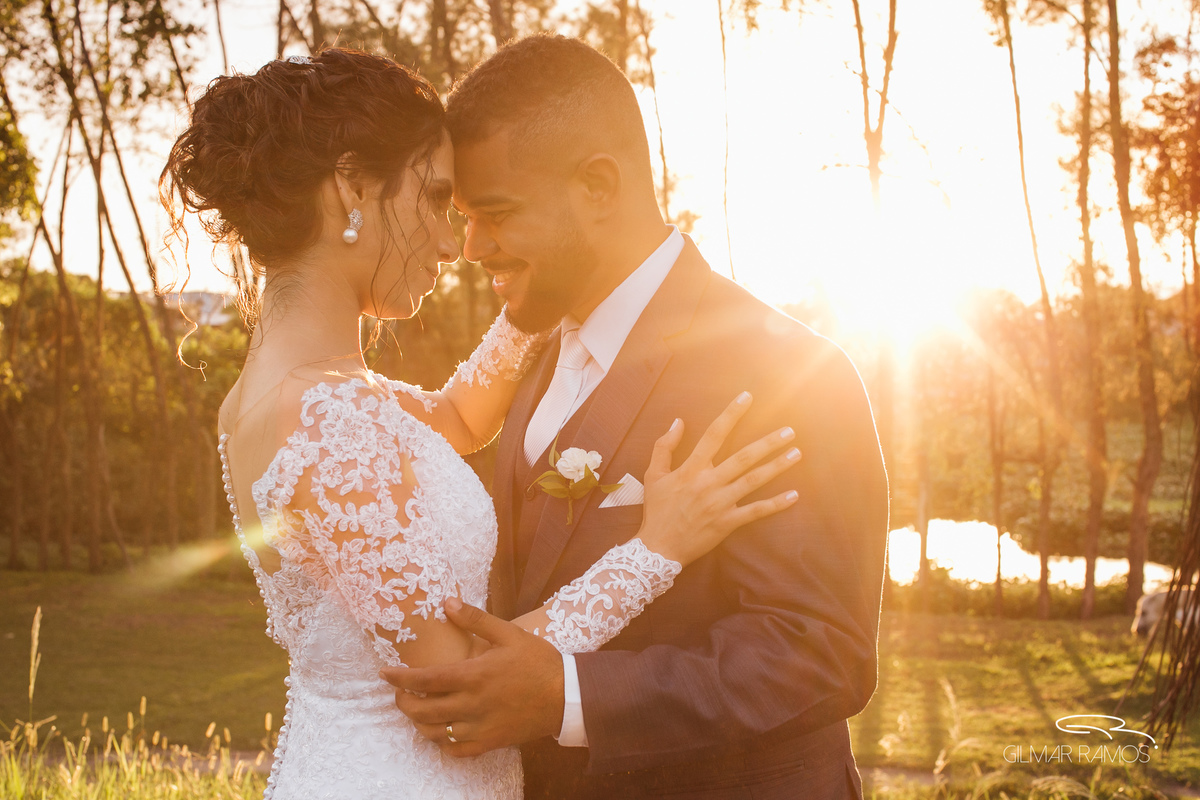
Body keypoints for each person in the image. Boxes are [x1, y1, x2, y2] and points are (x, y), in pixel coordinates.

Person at [159, 47, 802, 800]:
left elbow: (460, 417)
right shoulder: (328, 414)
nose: (450, 244)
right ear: (352, 186)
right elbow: (454, 679)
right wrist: (655, 550)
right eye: (433, 198)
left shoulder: (305, 395)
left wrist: (540, 284)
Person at [379, 35, 890, 799]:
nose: (470, 245)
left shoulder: (783, 369)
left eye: (496, 213)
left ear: (597, 186)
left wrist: (567, 695)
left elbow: (816, 651)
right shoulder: (534, 343)